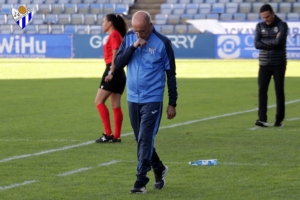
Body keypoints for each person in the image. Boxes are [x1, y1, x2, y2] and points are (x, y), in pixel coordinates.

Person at [114, 11, 178, 193]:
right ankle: (159, 168)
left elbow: (171, 74)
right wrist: (134, 46)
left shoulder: (163, 43)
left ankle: (140, 180)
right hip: (133, 97)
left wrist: (172, 102)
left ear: (151, 26)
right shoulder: (129, 39)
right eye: (136, 31)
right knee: (140, 138)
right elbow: (118, 63)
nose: (139, 34)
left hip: (153, 98)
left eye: (142, 31)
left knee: (145, 138)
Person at [94, 14, 128, 143]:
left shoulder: (114, 35)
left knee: (98, 101)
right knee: (115, 105)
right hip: (119, 72)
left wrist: (111, 72)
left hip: (113, 70)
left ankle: (108, 134)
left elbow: (116, 55)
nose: (103, 24)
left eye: (104, 22)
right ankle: (116, 136)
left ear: (109, 24)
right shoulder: (117, 35)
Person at [254, 4, 288, 127]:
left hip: (279, 63)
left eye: (267, 16)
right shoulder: (259, 26)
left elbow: (280, 43)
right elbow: (257, 44)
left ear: (273, 13)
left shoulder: (282, 25)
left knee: (279, 91)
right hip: (263, 64)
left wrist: (265, 41)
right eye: (263, 17)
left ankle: (279, 120)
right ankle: (262, 119)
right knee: (262, 90)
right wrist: (273, 41)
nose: (265, 19)